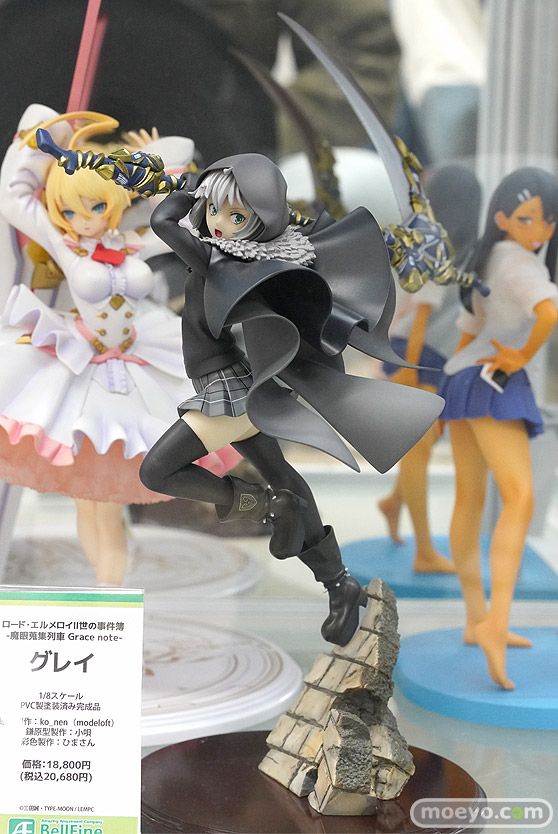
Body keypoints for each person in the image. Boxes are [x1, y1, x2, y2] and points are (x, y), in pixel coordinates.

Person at [0, 105, 234, 586]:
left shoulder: (132, 240)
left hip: (135, 361)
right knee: (90, 501)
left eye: (94, 207)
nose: (82, 220)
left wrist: (155, 161)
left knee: (107, 503)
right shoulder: (67, 245)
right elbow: (15, 197)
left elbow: (186, 213)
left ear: (115, 201)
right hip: (82, 365)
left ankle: (110, 594)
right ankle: (107, 594)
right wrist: (39, 133)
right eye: (69, 210)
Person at [437, 167, 558, 689]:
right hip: (493, 379)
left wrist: (448, 385)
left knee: (470, 498)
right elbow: (549, 313)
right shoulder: (520, 262)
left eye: (548, 221)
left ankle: (476, 618)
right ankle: (495, 620)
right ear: (503, 217)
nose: (541, 231)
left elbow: (469, 326)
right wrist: (521, 357)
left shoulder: (486, 256)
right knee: (519, 498)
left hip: (462, 377)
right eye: (528, 219)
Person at [378, 164, 481, 573]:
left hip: (429, 355)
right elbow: (420, 315)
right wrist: (408, 369)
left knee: (423, 442)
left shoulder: (450, 247)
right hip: (417, 354)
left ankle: (393, 502)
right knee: (419, 447)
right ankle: (423, 551)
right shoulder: (440, 248)